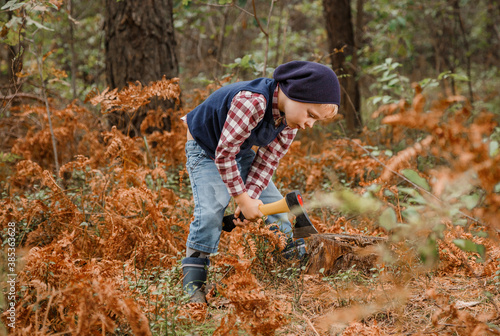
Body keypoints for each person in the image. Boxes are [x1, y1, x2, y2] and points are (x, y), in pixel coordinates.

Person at [181, 60, 341, 303]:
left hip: (238, 150)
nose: (309, 124)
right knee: (211, 211)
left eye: (315, 120)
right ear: (294, 93)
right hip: (206, 149)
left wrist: (251, 200)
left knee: (275, 206)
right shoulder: (253, 102)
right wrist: (241, 198)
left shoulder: (290, 123)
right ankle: (194, 283)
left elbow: (267, 162)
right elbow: (224, 154)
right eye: (310, 115)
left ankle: (294, 268)